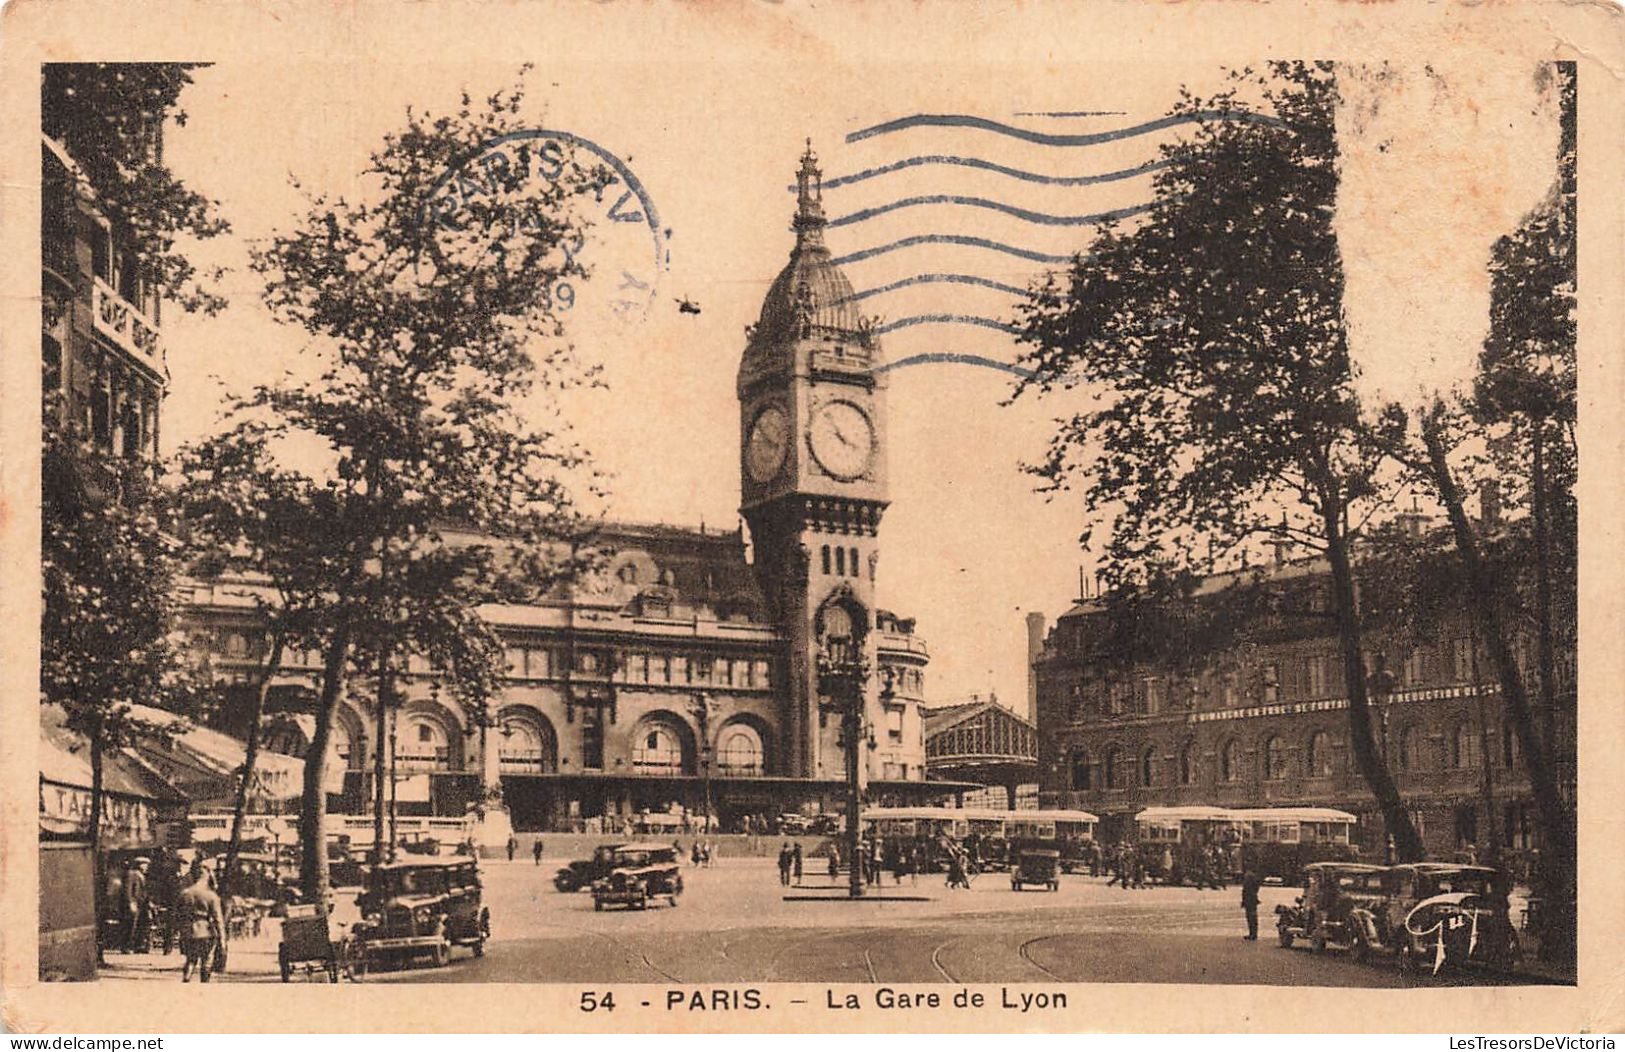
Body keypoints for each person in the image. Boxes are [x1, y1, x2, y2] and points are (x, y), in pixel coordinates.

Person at [176, 867, 225, 982]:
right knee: (207, 959)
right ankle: (204, 983)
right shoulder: (211, 896)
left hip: (188, 930)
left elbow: (177, 915)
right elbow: (218, 919)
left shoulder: (184, 893)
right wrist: (222, 938)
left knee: (191, 959)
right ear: (206, 877)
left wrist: (180, 930)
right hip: (206, 931)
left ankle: (186, 980)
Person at [123, 858, 150, 953]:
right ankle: (127, 946)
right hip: (134, 903)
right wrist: (130, 902)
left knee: (140, 925)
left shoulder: (142, 875)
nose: (146, 866)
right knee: (131, 925)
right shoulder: (132, 874)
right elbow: (128, 890)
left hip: (141, 904)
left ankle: (138, 946)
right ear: (139, 865)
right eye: (145, 864)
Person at [1241, 868, 1262, 941]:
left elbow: (1245, 890)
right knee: (1252, 917)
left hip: (1249, 899)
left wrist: (1244, 901)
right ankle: (1253, 933)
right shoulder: (1253, 877)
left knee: (1250, 917)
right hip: (1252, 899)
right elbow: (1257, 887)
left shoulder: (1248, 876)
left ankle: (1252, 934)